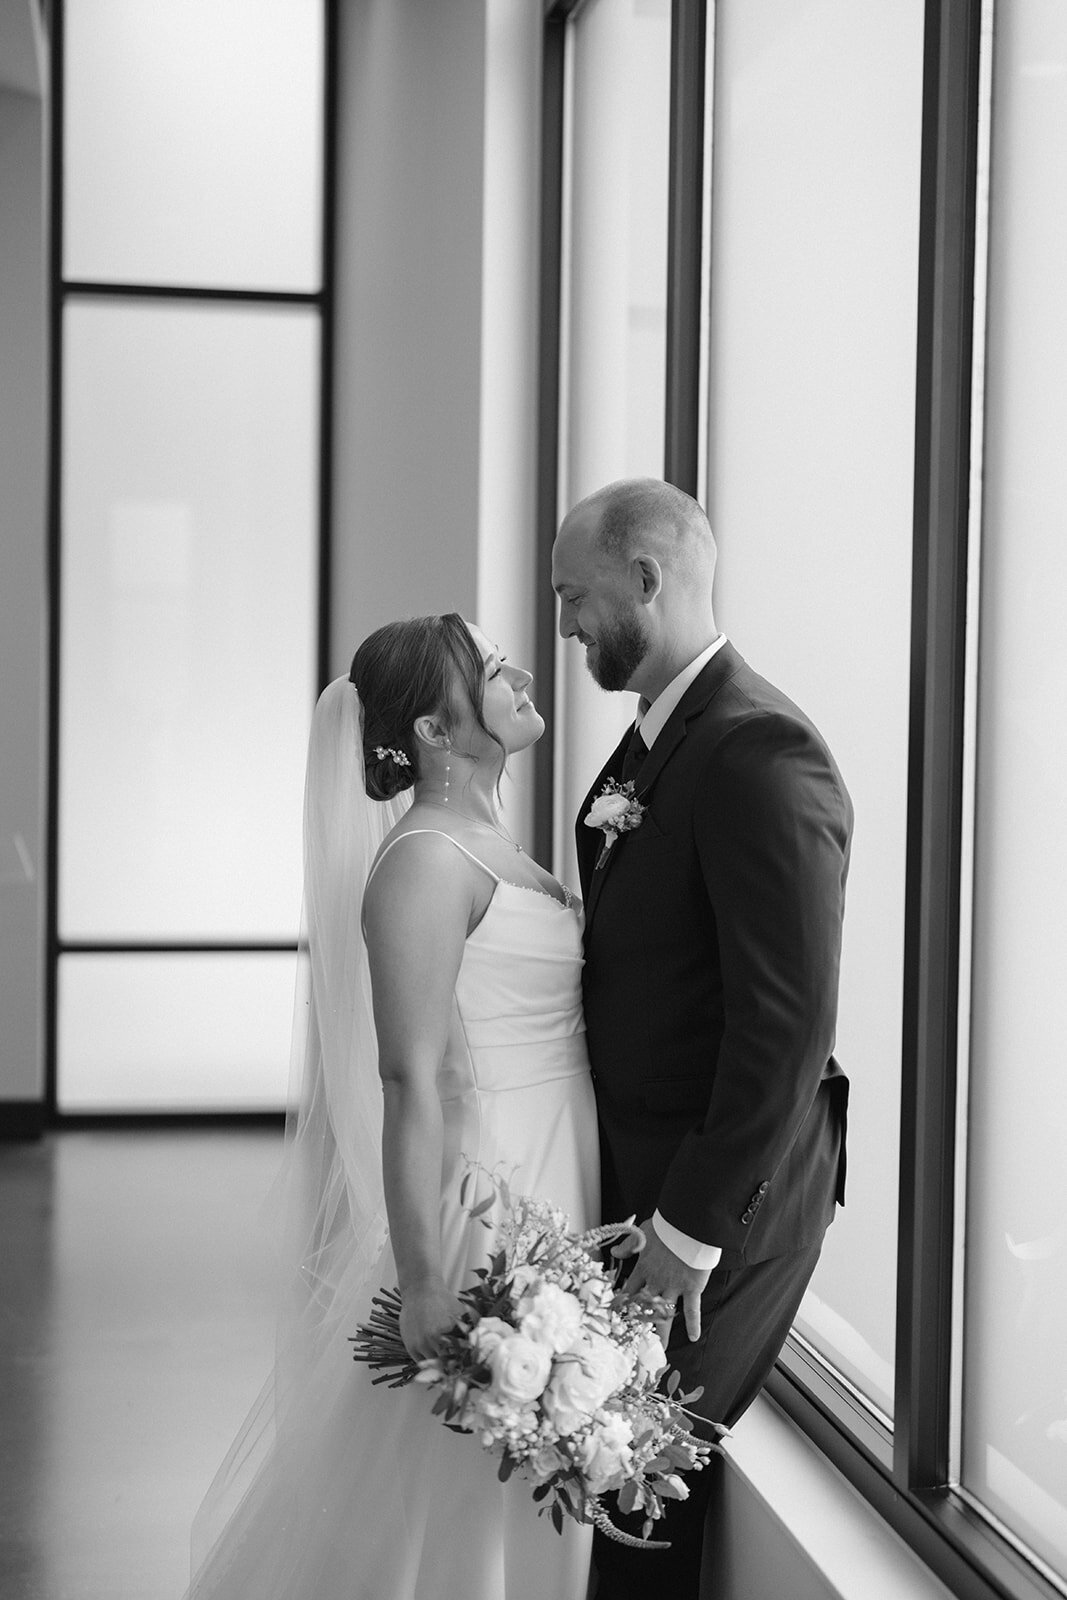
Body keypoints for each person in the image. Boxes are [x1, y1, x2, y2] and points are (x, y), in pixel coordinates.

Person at [184, 613, 598, 1600]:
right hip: (493, 1196)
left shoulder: (477, 839)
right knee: (458, 1498)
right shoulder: (421, 861)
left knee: (503, 1486)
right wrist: (420, 1277)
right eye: (492, 668)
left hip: (555, 1166)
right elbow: (409, 1078)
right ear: (430, 730)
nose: (521, 671)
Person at [552, 479, 852, 1600]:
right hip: (642, 1170)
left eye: (575, 594)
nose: (567, 622)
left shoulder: (758, 748)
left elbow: (783, 1023)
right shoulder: (654, 740)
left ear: (646, 577)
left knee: (635, 1478)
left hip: (725, 1190)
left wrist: (685, 1228)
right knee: (616, 1478)